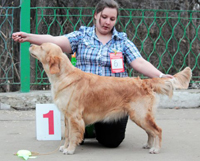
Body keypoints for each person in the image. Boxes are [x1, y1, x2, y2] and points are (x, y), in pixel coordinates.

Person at [12, 0, 173, 148]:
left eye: (112, 19)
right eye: (104, 17)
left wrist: (160, 76)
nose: (107, 22)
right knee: (76, 122)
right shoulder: (82, 36)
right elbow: (54, 40)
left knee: (111, 142)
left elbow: (139, 62)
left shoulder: (122, 41)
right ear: (96, 15)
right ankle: (87, 128)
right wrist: (29, 37)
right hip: (84, 94)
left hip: (113, 97)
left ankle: (93, 128)